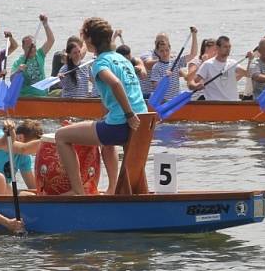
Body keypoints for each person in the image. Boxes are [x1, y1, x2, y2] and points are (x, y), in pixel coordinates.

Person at [54, 17, 148, 195]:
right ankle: (113, 189)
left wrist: (128, 114)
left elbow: (116, 84)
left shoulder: (100, 63)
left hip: (123, 124)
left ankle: (78, 192)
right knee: (107, 144)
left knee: (61, 136)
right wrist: (129, 115)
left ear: (90, 40)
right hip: (142, 122)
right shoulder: (122, 59)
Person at [0, 120, 43, 190]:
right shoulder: (0, 138)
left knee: (29, 195)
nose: (36, 152)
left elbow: (32, 187)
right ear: (20, 137)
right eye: (34, 146)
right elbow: (24, 148)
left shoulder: (24, 156)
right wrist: (51, 141)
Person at [149, 26, 198, 103]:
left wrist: (194, 35)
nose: (165, 53)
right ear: (157, 51)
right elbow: (156, 87)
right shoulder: (156, 67)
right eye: (161, 51)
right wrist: (166, 77)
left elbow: (193, 54)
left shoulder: (176, 62)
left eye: (167, 50)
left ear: (170, 49)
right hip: (163, 102)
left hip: (176, 99)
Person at [192, 36, 249, 101]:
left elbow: (248, 74)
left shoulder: (233, 63)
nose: (228, 49)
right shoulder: (207, 64)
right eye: (225, 47)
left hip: (232, 103)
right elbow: (194, 81)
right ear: (217, 48)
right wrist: (196, 86)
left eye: (229, 47)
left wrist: (250, 60)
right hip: (214, 104)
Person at [11, 14, 56, 97]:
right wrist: (18, 71)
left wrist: (45, 24)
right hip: (27, 97)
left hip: (43, 96)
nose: (32, 49)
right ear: (23, 47)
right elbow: (11, 80)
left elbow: (51, 40)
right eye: (29, 47)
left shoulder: (40, 54)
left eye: (34, 46)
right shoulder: (18, 62)